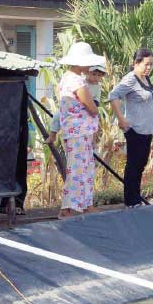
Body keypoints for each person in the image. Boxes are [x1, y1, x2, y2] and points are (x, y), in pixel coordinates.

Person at [56, 41, 105, 218]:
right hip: (78, 131)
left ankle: (85, 204)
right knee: (77, 169)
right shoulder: (76, 81)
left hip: (80, 131)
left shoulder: (67, 78)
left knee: (85, 167)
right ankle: (68, 207)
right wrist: (95, 110)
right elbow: (91, 106)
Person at [109, 48, 153, 208]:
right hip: (135, 129)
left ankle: (136, 197)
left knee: (141, 164)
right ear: (136, 63)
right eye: (146, 64)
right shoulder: (130, 79)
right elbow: (113, 95)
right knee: (133, 165)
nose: (149, 68)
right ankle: (130, 200)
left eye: (151, 64)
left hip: (147, 129)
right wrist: (121, 119)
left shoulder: (146, 78)